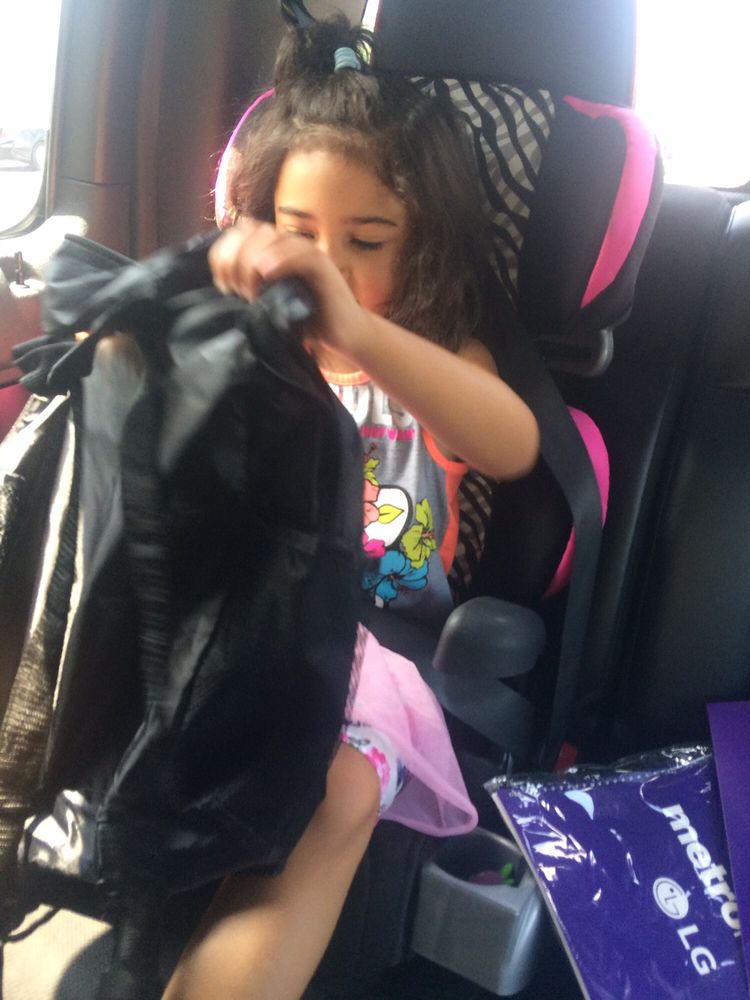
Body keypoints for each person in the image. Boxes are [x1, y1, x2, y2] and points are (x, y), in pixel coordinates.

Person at [162, 16, 538, 1000]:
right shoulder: (247, 343)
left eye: (366, 242)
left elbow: (512, 442)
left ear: (423, 248)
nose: (325, 264)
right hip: (240, 617)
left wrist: (360, 331)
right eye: (299, 236)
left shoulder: (432, 358)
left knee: (335, 786)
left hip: (373, 641)